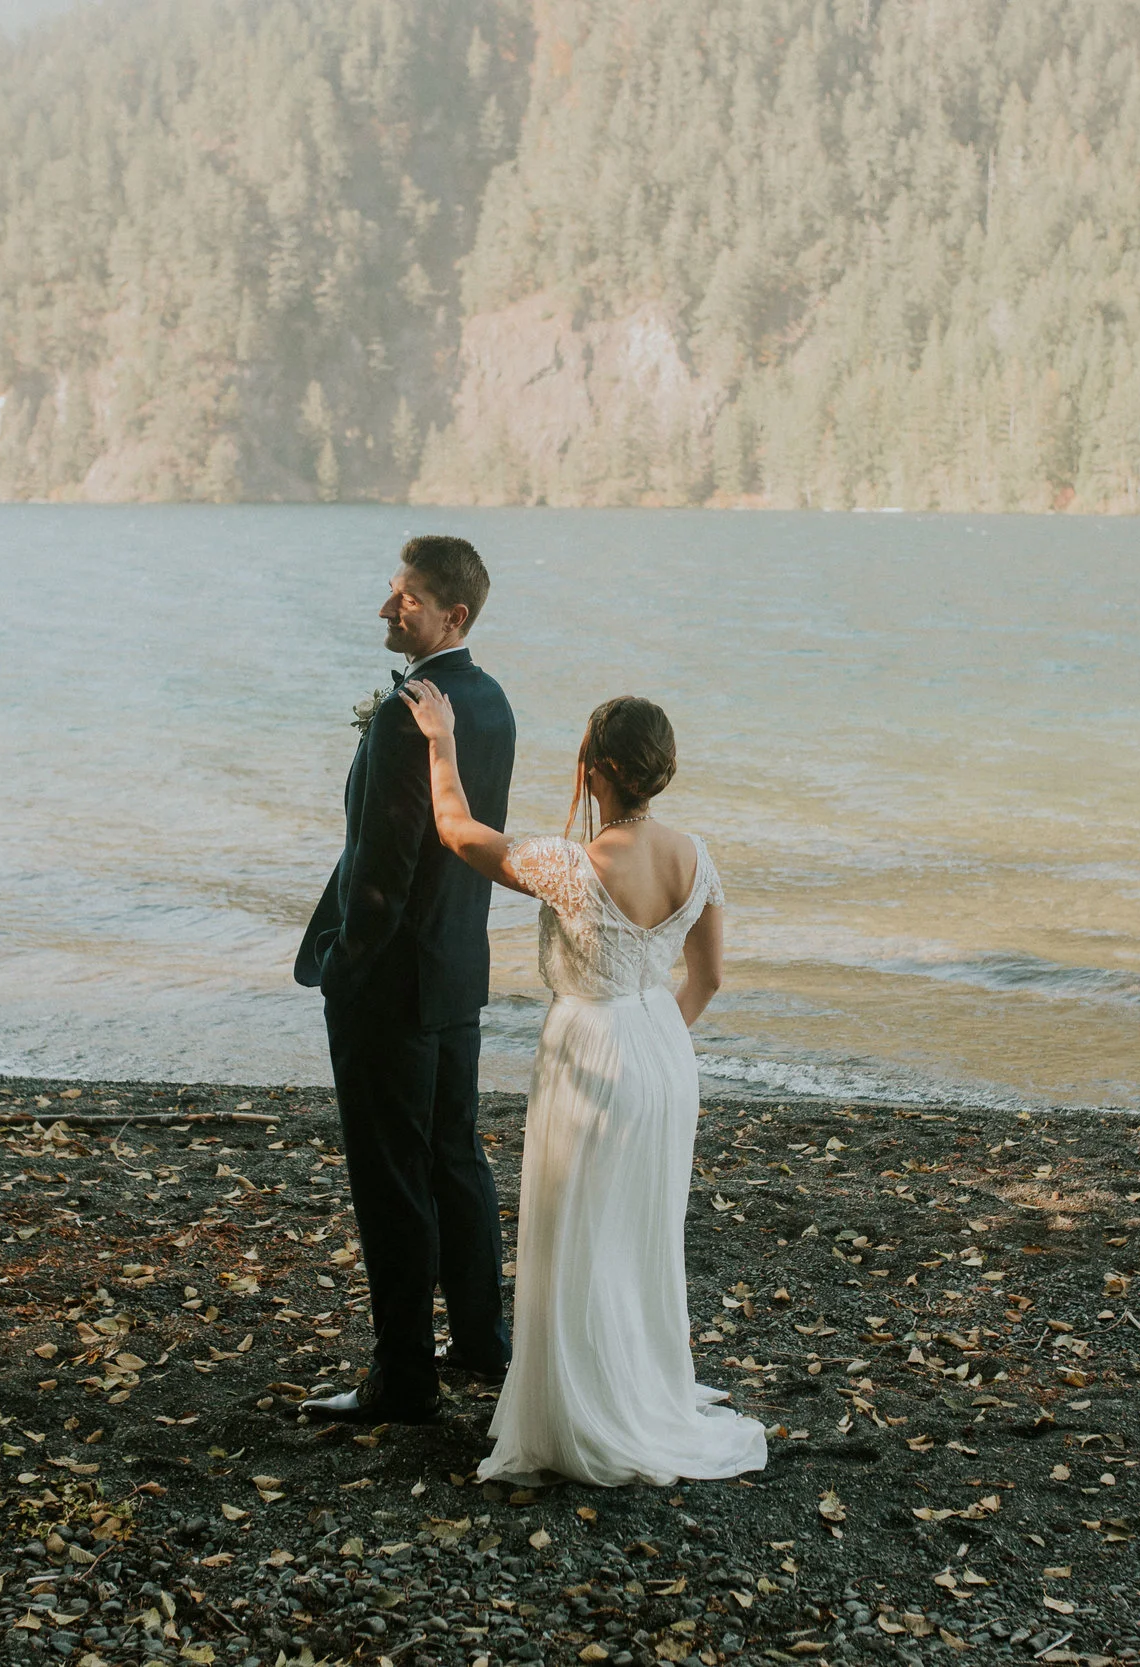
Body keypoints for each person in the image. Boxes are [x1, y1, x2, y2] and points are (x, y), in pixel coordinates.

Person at [398, 681, 767, 1486]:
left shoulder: (574, 866)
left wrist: (441, 738)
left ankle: (584, 1409)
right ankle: (637, 1387)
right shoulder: (695, 856)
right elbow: (707, 978)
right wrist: (651, 1041)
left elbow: (457, 830)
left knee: (577, 1232)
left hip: (592, 1050)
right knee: (636, 1234)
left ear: (599, 770)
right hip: (661, 1051)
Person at [292, 536, 514, 1424]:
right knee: (455, 1159)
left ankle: (404, 1378)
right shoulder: (491, 702)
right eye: (392, 591)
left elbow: (383, 868)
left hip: (390, 986)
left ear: (451, 615)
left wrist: (345, 969)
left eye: (407, 598)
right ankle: (483, 1343)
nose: (388, 608)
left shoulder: (406, 715)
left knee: (391, 1178)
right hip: (456, 969)